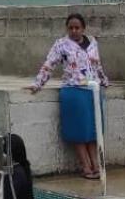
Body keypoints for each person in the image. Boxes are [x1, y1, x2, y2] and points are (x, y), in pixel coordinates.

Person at [31, 13, 108, 180]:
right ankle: (86, 166)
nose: (74, 31)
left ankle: (97, 165)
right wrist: (38, 84)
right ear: (67, 29)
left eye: (77, 28)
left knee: (94, 131)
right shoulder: (61, 45)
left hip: (93, 91)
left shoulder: (93, 42)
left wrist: (104, 81)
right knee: (79, 132)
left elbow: (97, 64)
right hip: (74, 91)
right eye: (71, 28)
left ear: (83, 28)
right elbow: (49, 64)